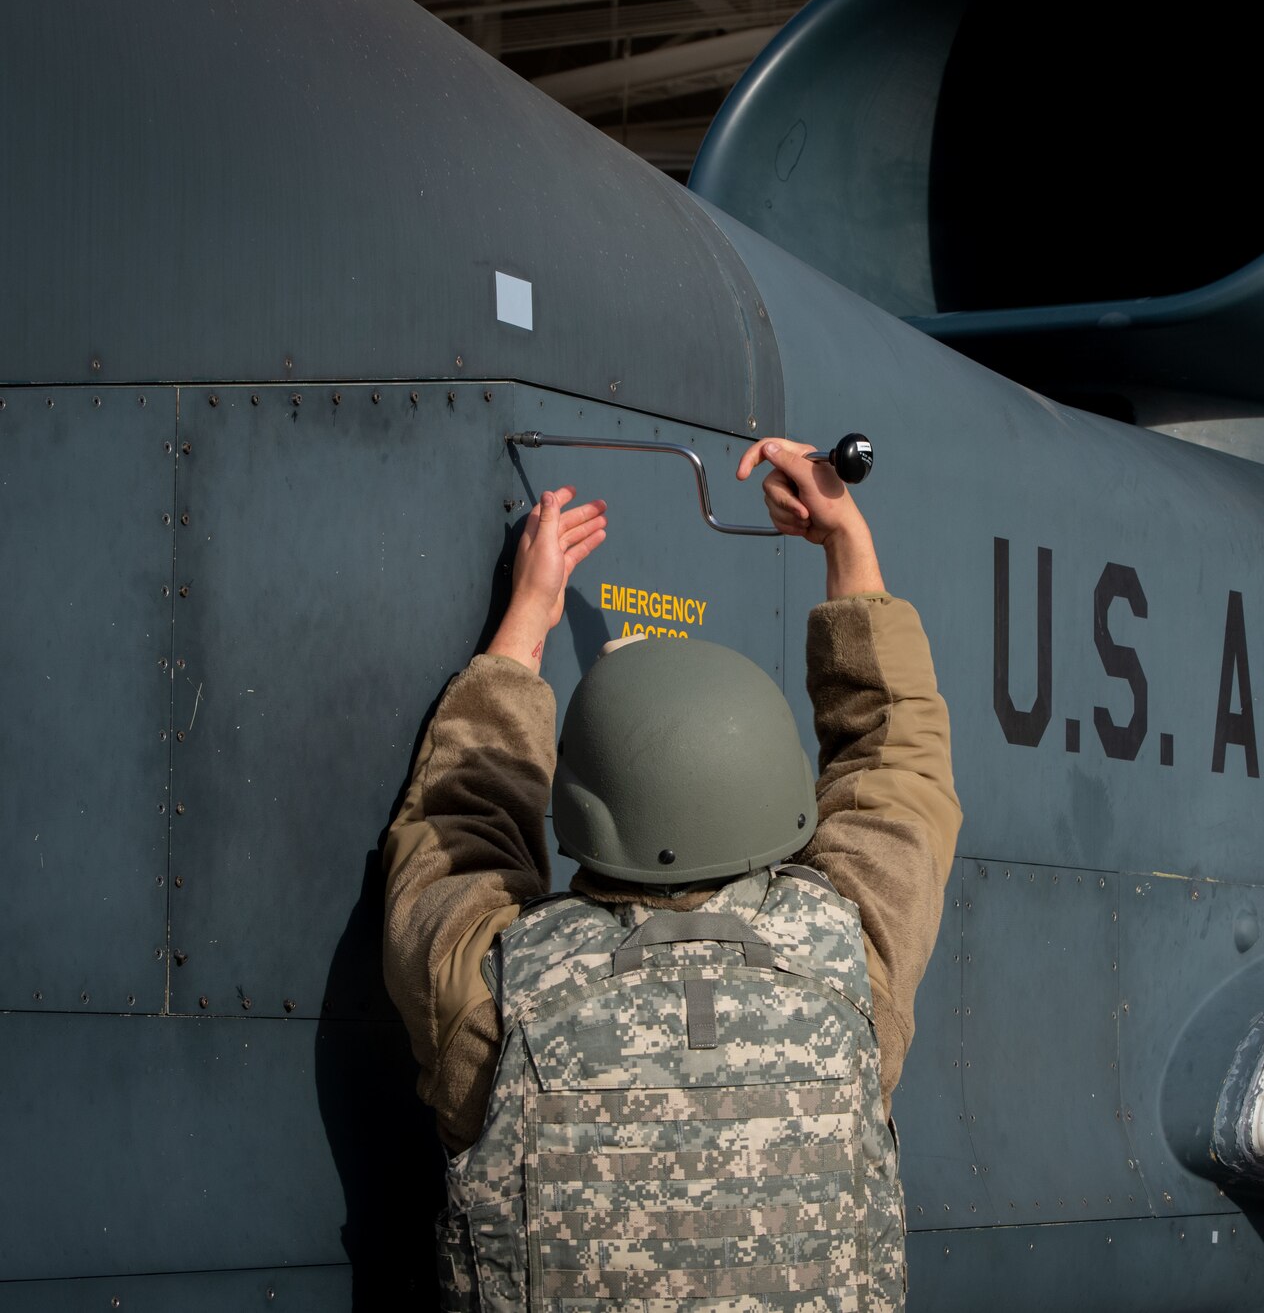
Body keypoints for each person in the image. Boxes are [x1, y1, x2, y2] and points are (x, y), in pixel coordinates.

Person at [382, 439, 959, 1310]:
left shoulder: (496, 1001)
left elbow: (456, 822)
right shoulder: (854, 970)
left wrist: (523, 628)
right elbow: (897, 766)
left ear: (585, 809)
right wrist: (847, 539)